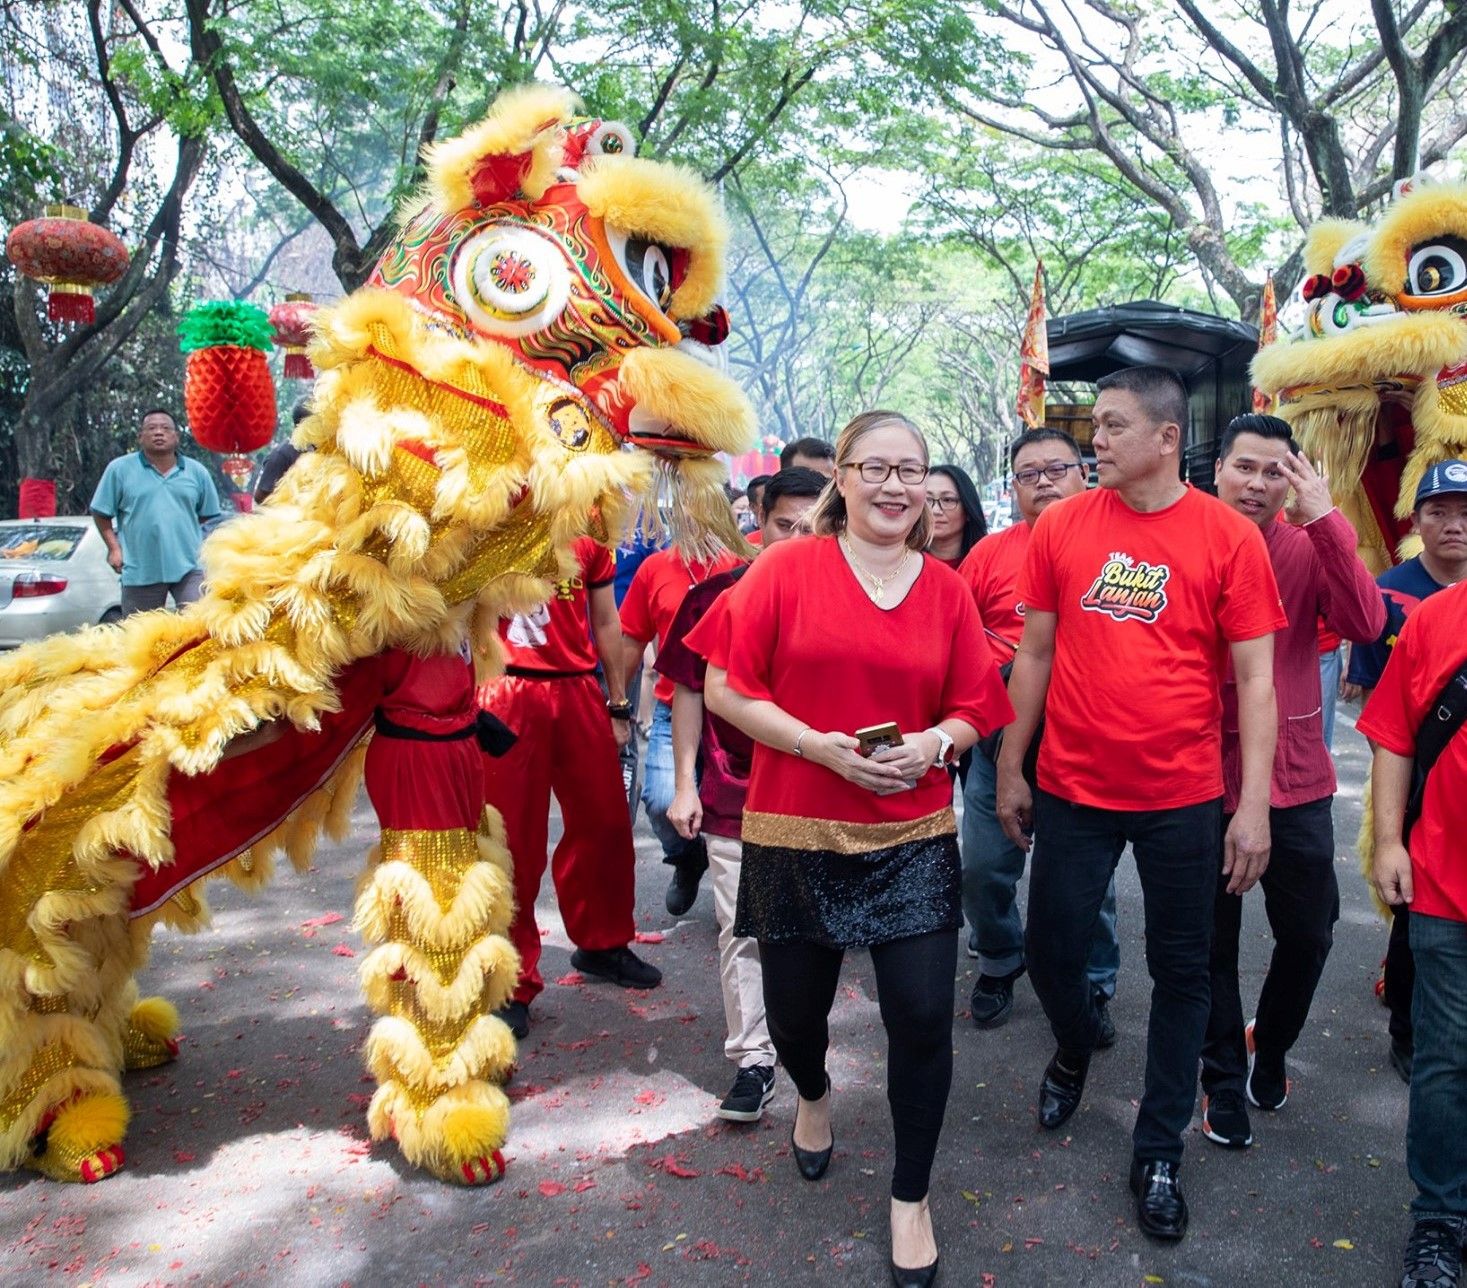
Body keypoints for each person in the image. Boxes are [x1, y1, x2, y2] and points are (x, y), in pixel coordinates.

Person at [692, 411, 1012, 1285]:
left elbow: (976, 704)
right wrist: (813, 744)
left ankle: (911, 1197)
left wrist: (935, 744)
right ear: (843, 474)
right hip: (794, 827)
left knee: (918, 1018)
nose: (896, 486)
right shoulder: (784, 570)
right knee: (797, 1020)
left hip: (911, 836)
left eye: (911, 470)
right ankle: (812, 1091)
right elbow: (723, 685)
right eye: (875, 467)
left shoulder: (945, 589)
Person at [997, 365, 1284, 1242]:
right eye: (1099, 426)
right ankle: (1075, 1043)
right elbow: (1034, 656)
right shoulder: (1062, 527)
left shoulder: (1226, 538)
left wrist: (1253, 808)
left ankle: (1157, 1148)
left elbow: (1256, 679)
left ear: (1166, 438)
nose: (1097, 440)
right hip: (1073, 788)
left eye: (1115, 425)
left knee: (1183, 973)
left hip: (1181, 795)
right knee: (1049, 950)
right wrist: (1014, 764)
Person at [1198, 415, 1384, 1150]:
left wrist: (1328, 521)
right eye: (1244, 467)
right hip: (1198, 775)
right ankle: (1219, 1082)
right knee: (1207, 941)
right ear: (1215, 470)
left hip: (1294, 773)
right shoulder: (1183, 540)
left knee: (1308, 933)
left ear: (1294, 480)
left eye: (1274, 471)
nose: (1256, 483)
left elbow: (1366, 623)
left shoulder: (1305, 546)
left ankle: (1267, 1047)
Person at [655, 467, 826, 1122]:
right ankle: (752, 1059)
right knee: (740, 927)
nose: (796, 538)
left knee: (811, 929)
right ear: (757, 520)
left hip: (822, 792)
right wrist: (681, 785)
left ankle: (805, 1052)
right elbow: (688, 691)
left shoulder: (848, 597)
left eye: (813, 526)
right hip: (734, 789)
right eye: (785, 524)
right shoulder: (713, 598)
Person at [956, 429, 1121, 1033]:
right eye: (1029, 474)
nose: (1045, 482)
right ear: (1014, 488)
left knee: (1087, 882)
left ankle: (1094, 984)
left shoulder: (1118, 550)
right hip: (1000, 741)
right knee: (982, 867)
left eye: (1057, 469)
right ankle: (999, 958)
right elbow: (953, 637)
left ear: (1085, 474)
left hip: (1084, 744)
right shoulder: (991, 554)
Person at [479, 536, 662, 1039]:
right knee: (513, 840)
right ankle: (510, 982)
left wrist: (618, 703)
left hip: (579, 687)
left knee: (605, 823)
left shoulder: (588, 540)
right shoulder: (483, 524)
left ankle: (602, 943)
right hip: (506, 690)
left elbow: (606, 621)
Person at [1357, 579, 1467, 1288]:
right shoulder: (1438, 616)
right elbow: (1396, 736)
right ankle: (1438, 1220)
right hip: (1445, 884)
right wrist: (1387, 843)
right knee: (1445, 1060)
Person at [1343, 460, 1467, 1083]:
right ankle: (1407, 1029)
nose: (1453, 526)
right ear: (1415, 520)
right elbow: (1372, 697)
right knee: (1412, 901)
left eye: (1466, 513)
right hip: (1406, 771)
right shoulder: (1388, 590)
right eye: (1439, 512)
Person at [620, 538, 744, 915]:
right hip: (670, 704)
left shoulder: (743, 559)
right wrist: (613, 705)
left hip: (732, 713)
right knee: (660, 800)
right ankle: (686, 859)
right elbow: (631, 638)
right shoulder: (655, 567)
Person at [90, 408, 221, 615]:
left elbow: (209, 517)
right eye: (151, 428)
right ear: (140, 437)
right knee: (139, 637)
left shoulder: (196, 472)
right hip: (140, 568)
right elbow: (101, 513)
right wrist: (114, 548)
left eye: (165, 428)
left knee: (200, 628)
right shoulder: (119, 469)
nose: (158, 433)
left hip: (189, 566)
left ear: (176, 437)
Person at [924, 464, 987, 568]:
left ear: (968, 509)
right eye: (928, 500)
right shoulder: (903, 563)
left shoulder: (987, 562)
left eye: (948, 500)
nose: (935, 510)